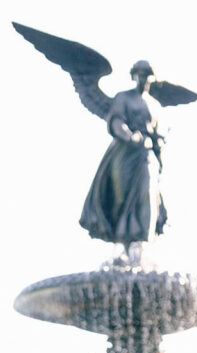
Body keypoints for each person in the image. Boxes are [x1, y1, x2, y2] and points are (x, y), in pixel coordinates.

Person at [79, 60, 167, 251]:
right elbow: (116, 121)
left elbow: (157, 132)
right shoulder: (123, 98)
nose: (144, 80)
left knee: (147, 193)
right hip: (124, 154)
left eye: (148, 76)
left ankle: (141, 241)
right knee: (119, 198)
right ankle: (122, 243)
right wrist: (130, 136)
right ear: (134, 75)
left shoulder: (154, 104)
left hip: (145, 155)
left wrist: (157, 142)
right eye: (141, 75)